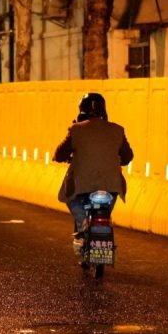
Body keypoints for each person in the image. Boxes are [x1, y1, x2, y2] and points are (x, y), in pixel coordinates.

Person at [53, 93, 134, 245]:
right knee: (107, 208)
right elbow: (128, 157)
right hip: (111, 185)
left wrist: (61, 157)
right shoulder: (117, 130)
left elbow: (60, 154)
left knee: (69, 197)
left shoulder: (76, 130)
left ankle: (83, 221)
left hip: (82, 184)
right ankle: (101, 225)